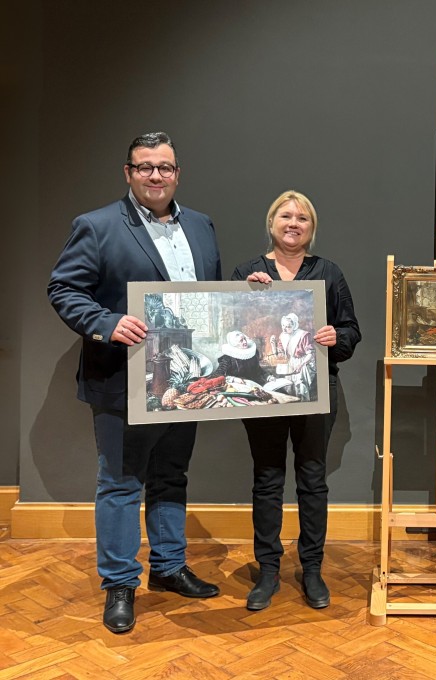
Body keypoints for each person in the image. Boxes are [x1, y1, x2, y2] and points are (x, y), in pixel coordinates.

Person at [47, 132, 223, 633]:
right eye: (144, 167)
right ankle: (120, 584)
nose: (155, 176)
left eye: (164, 167)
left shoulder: (202, 225)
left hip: (184, 381)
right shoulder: (97, 226)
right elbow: (63, 288)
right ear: (128, 173)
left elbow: (207, 299)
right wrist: (106, 322)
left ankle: (168, 569)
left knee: (171, 477)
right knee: (122, 484)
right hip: (123, 380)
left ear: (177, 173)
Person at [230, 189, 361, 611]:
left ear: (311, 228)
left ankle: (311, 569)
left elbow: (352, 333)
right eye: (285, 216)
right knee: (267, 480)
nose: (293, 223)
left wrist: (334, 336)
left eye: (302, 218)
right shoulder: (248, 272)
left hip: (316, 391)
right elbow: (234, 337)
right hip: (264, 395)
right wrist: (245, 298)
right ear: (271, 224)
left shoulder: (328, 272)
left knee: (312, 480)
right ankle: (268, 571)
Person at [274, 312, 315, 401]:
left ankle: (303, 403)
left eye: (288, 327)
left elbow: (310, 354)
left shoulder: (303, 335)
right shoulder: (283, 336)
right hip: (292, 361)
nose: (284, 329)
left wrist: (301, 365)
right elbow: (280, 353)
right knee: (289, 382)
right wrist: (273, 344)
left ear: (294, 326)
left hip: (304, 361)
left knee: (300, 381)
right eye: (283, 326)